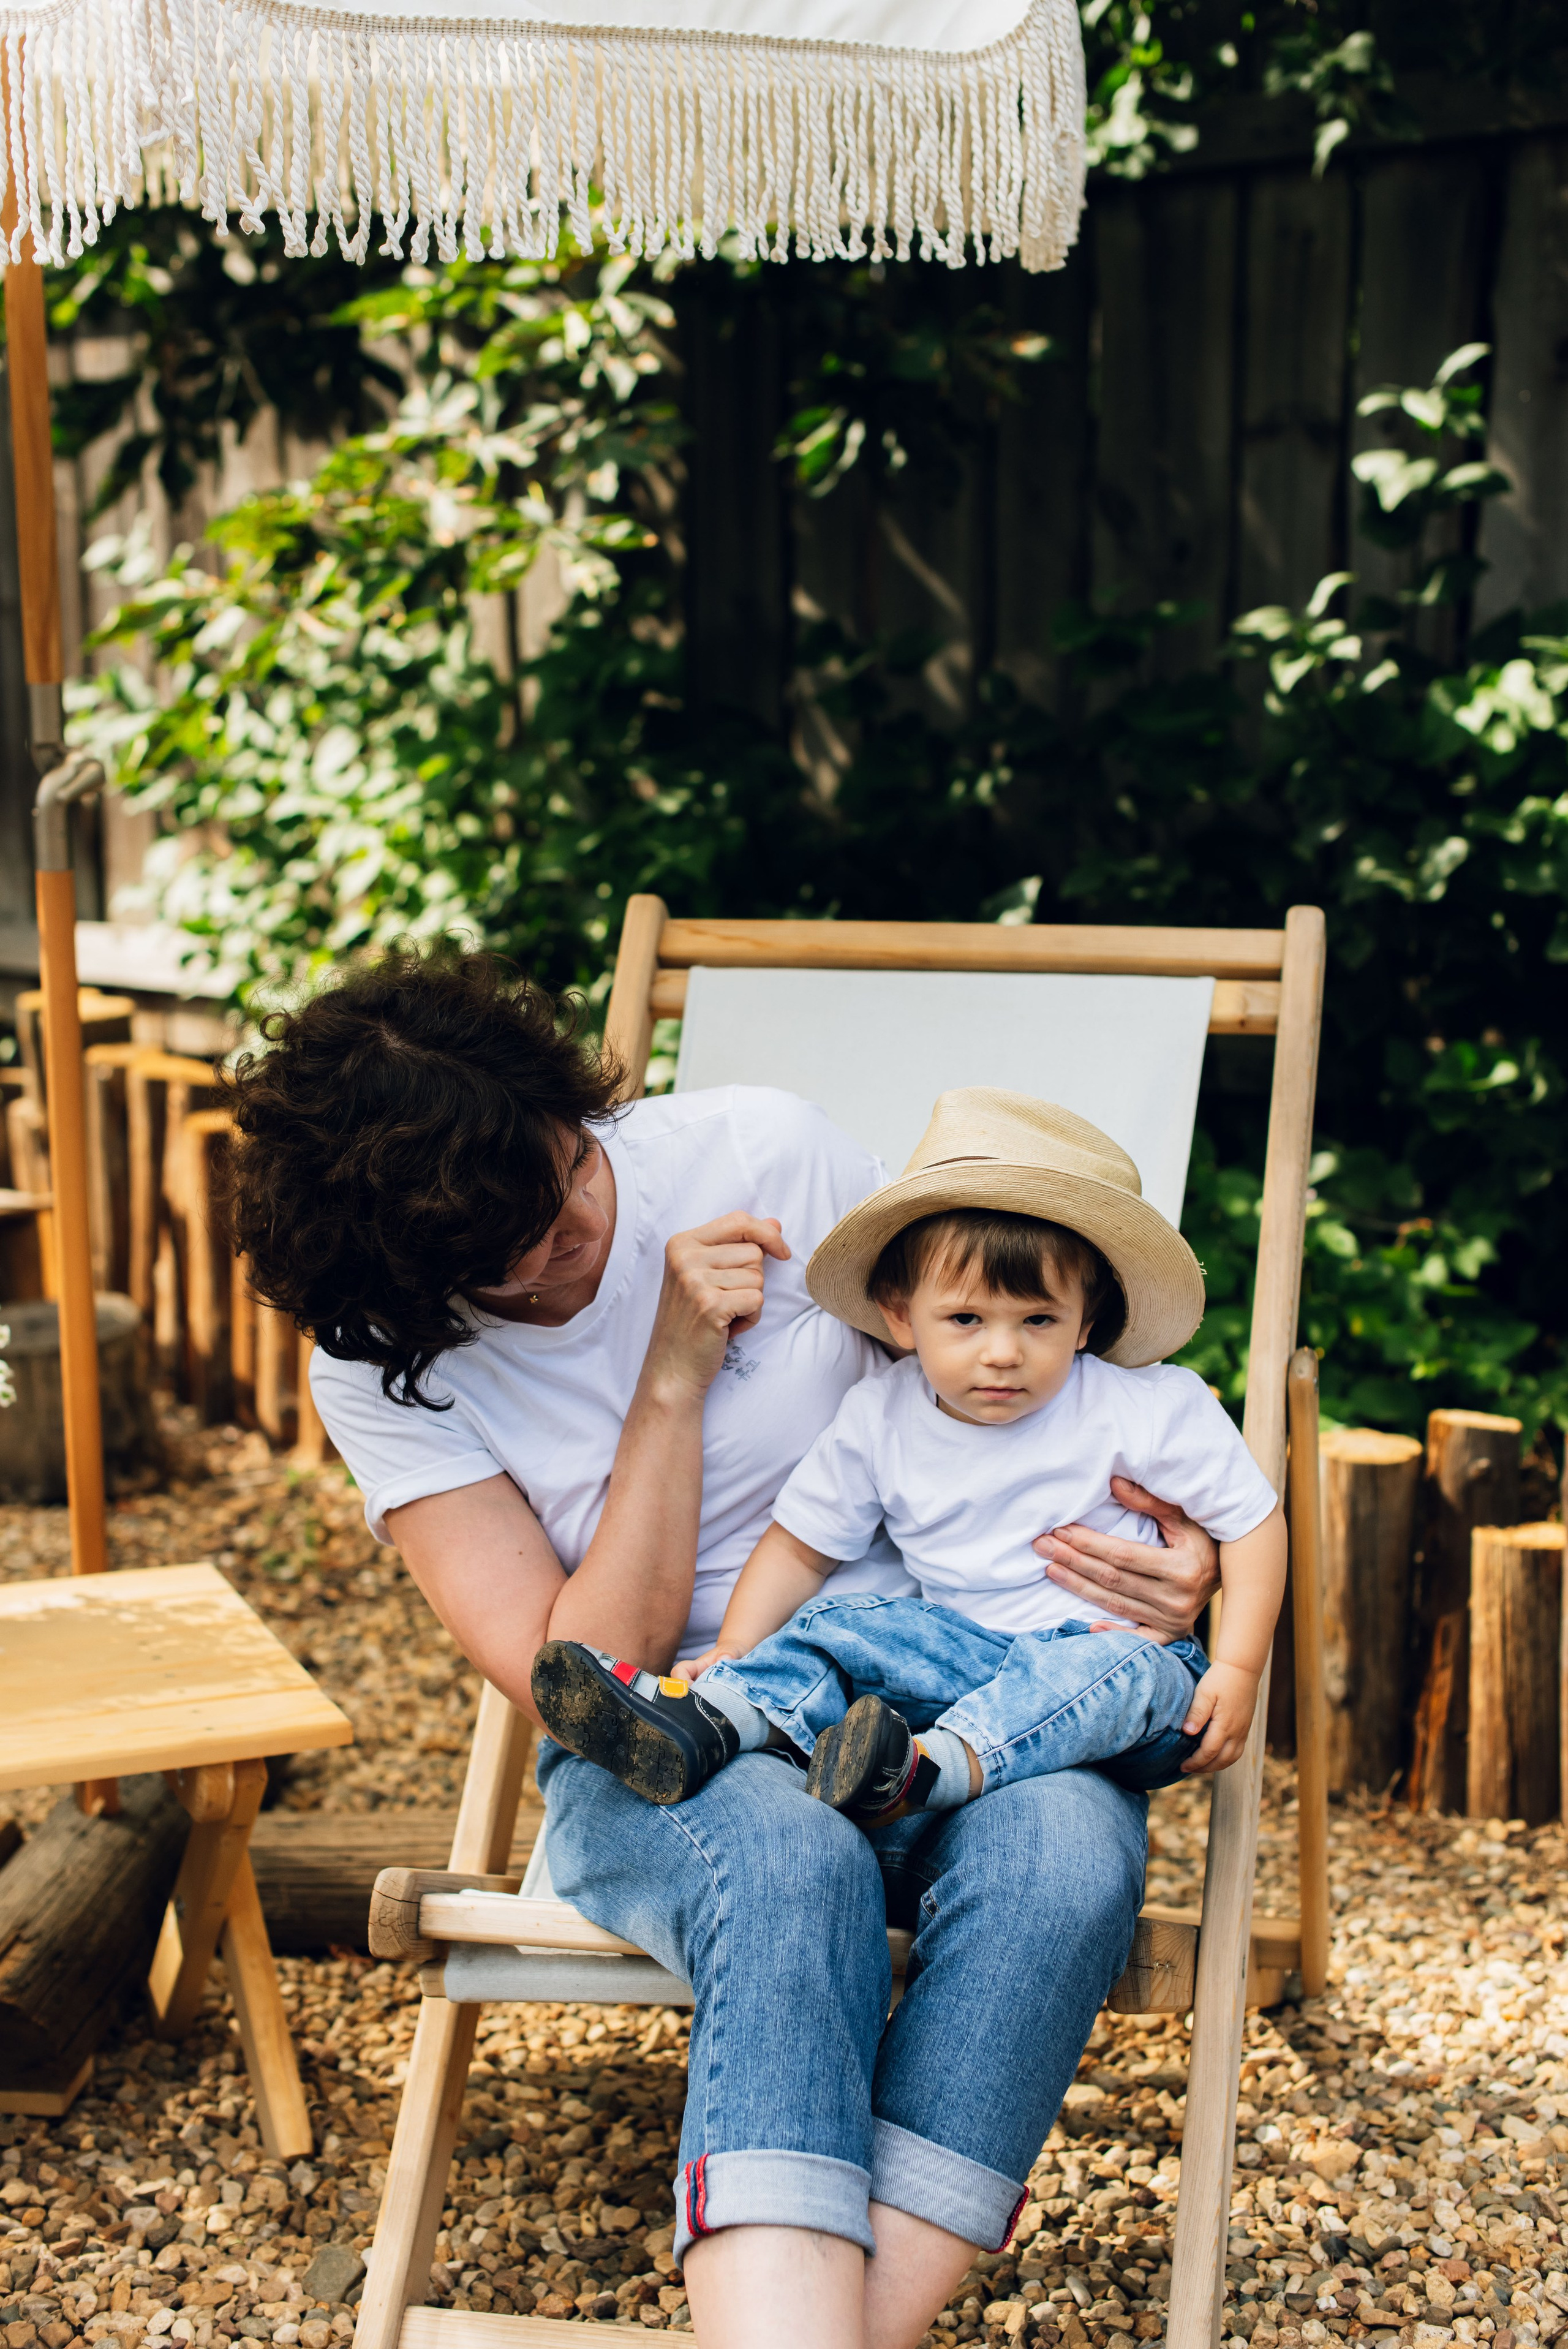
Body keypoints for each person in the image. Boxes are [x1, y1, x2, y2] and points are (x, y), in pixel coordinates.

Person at [225, 949, 1227, 2349]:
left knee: (1065, 1853)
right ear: (412, 1280)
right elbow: (585, 1679)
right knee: (790, 1857)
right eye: (500, 1255)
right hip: (669, 1737)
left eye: (565, 1171)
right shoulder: (381, 1362)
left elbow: (1007, 1390)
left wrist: (1175, 1561)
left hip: (948, 1691)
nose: (568, 1233)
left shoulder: (762, 1152)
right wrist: (673, 1377)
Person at [532, 1090, 1285, 1828]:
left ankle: (937, 1770)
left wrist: (1238, 1666)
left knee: (1114, 1670)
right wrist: (733, 1651)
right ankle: (726, 1713)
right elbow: (799, 1549)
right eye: (964, 1319)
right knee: (838, 1620)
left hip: (1120, 1672)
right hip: (958, 1667)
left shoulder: (1144, 1408)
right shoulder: (879, 1417)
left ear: (1086, 1321)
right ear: (901, 1315)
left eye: (1039, 1320)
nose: (1001, 1351)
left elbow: (1252, 1524)